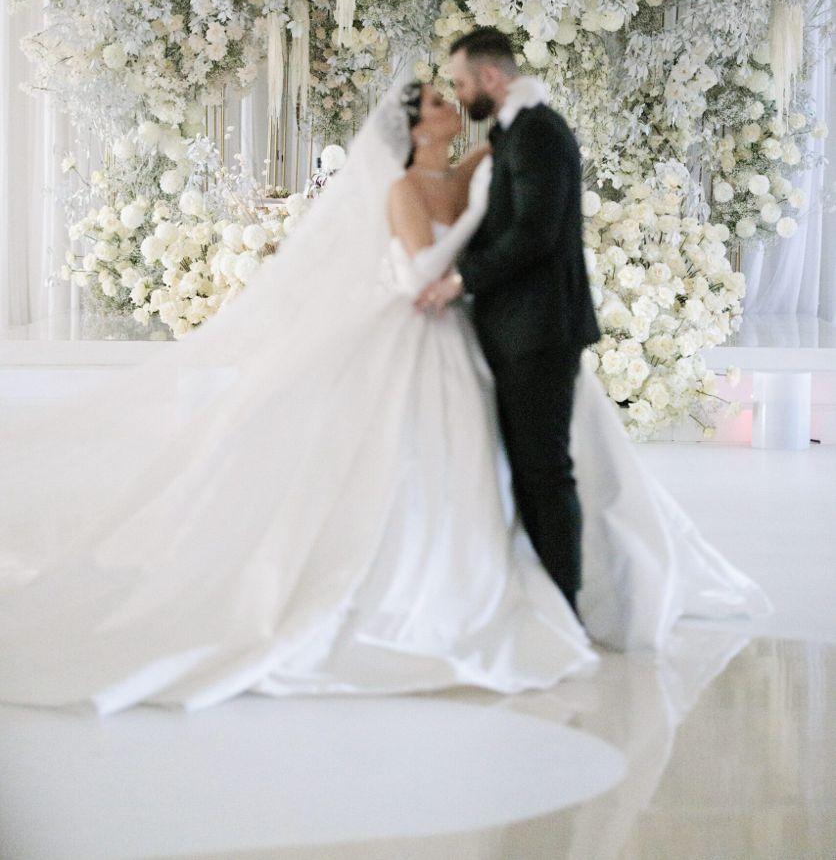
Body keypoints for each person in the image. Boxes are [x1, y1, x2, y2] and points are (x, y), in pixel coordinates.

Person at [0, 69, 769, 714]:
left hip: (465, 327)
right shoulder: (403, 188)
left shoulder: (465, 168)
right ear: (415, 127)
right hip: (418, 324)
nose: (449, 105)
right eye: (435, 102)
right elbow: (418, 271)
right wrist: (471, 231)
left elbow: (509, 175)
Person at [416, 28, 598, 614]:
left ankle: (563, 607)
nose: (459, 94)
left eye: (461, 83)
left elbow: (534, 234)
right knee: (529, 470)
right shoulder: (517, 131)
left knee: (545, 472)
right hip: (520, 330)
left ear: (491, 77)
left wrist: (460, 281)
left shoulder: (537, 132)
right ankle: (546, 605)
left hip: (539, 332)